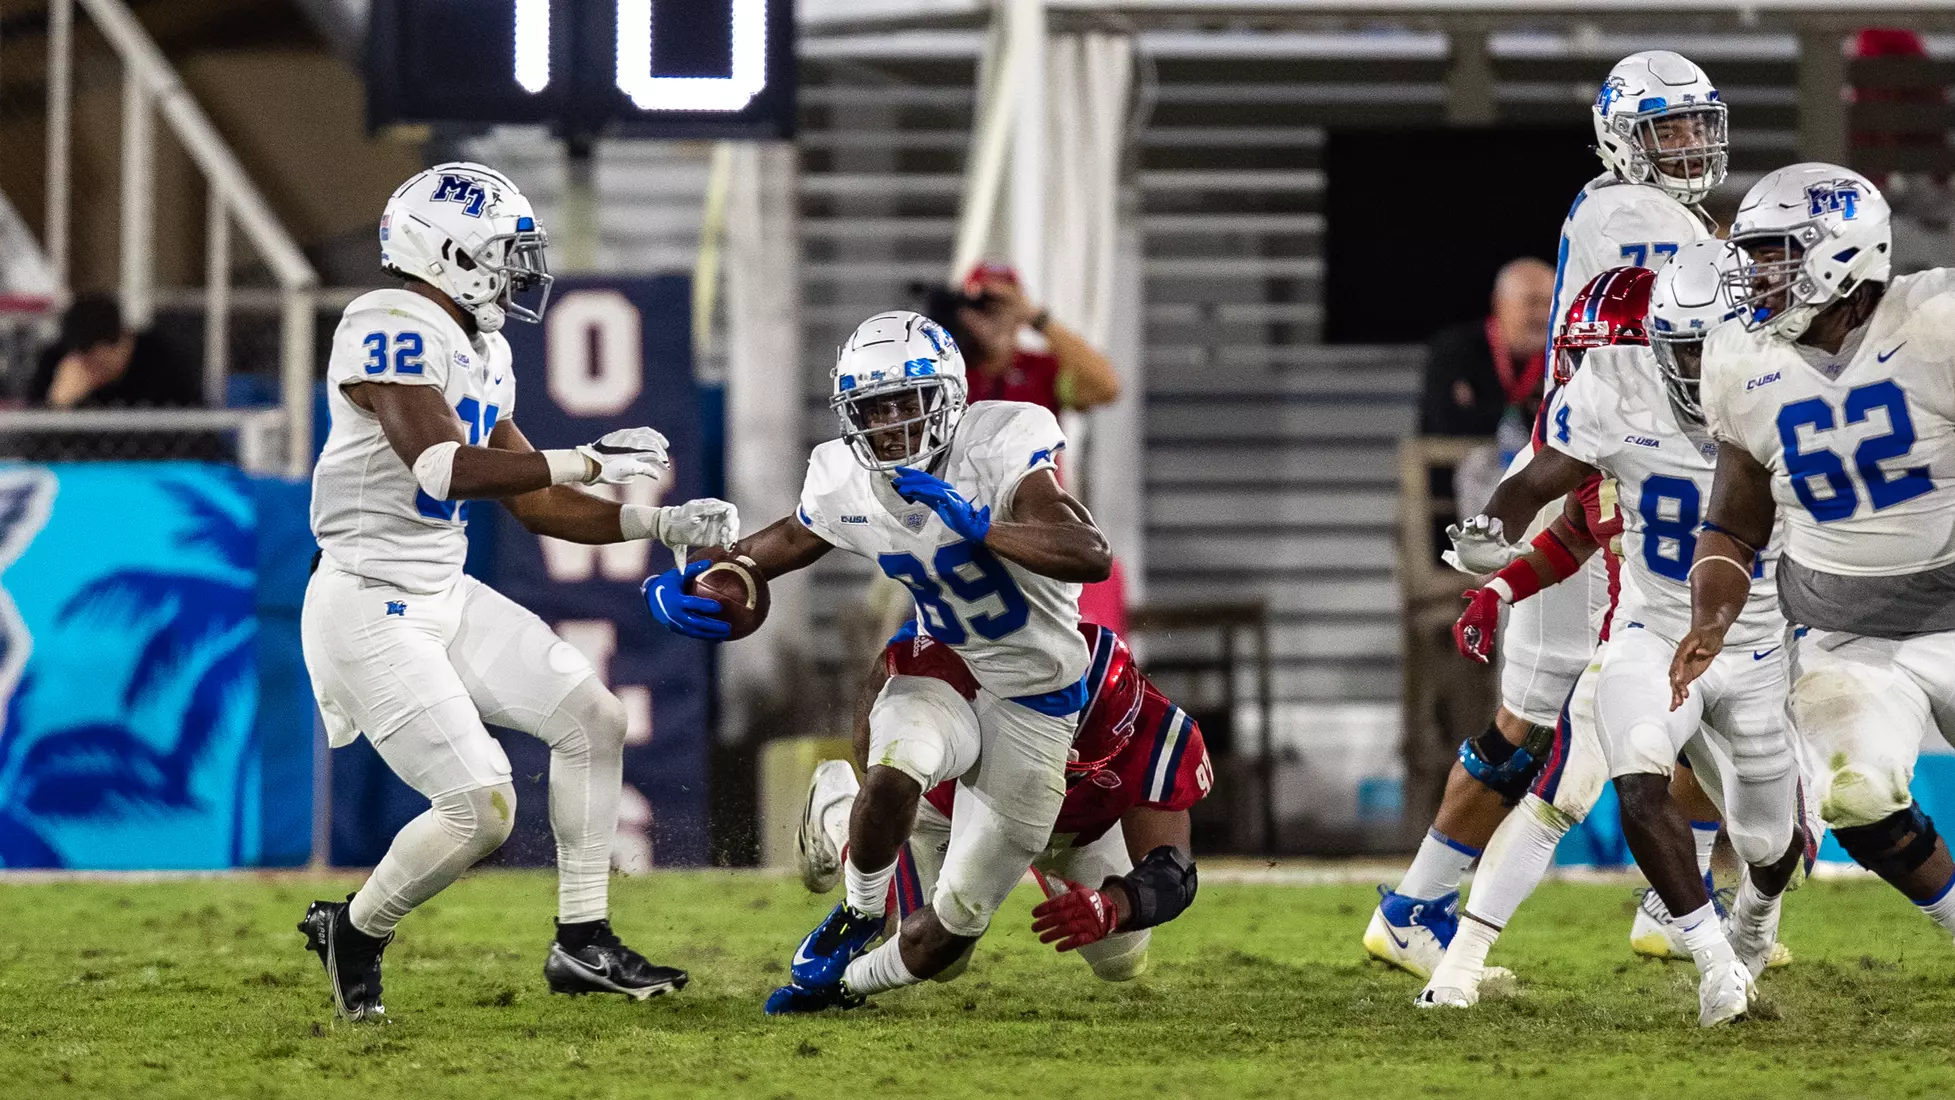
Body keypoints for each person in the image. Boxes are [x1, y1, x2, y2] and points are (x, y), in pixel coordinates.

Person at [295, 162, 740, 1022]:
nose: (519, 271)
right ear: (449, 251)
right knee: (481, 807)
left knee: (594, 719)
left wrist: (660, 524)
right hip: (364, 600)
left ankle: (582, 941)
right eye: (505, 253)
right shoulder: (385, 320)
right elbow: (441, 465)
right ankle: (355, 928)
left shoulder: (483, 348)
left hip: (439, 587)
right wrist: (588, 458)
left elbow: (532, 500)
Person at [642, 311, 1138, 1015]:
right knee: (898, 760)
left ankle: (843, 921)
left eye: (909, 402)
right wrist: (693, 580)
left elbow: (1089, 551)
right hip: (948, 663)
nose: (893, 423)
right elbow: (777, 544)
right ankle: (856, 910)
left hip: (1036, 701)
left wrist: (983, 527)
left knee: (953, 942)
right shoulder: (844, 477)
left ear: (951, 397)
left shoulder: (1001, 444)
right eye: (875, 408)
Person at [1364, 49, 1730, 979]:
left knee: (1537, 728)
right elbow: (1685, 345)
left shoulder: (1623, 209)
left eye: (1695, 124)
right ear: (1623, 138)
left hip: (1589, 465)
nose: (1687, 144)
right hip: (1607, 481)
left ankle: (1416, 908)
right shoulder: (1634, 215)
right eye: (1666, 129)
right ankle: (1667, 901)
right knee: (1692, 688)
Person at [1427, 256, 1809, 1028]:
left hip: (1754, 645)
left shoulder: (1779, 397)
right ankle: (1458, 968)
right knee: (1566, 793)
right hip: (1643, 638)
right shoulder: (1614, 401)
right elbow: (1561, 514)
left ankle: (1748, 925)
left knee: (1780, 840)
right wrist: (1494, 576)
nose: (1580, 365)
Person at [1681, 164, 1955, 953]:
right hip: (1847, 637)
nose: (1752, 274)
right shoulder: (1738, 359)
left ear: (1842, 250)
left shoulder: (1934, 320)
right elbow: (1733, 523)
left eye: (1772, 253)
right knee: (1855, 793)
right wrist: (1711, 616)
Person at [797, 619, 1210, 983]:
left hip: (1076, 833)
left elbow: (1172, 870)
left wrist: (1114, 906)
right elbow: (890, 666)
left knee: (1122, 960)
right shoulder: (980, 665)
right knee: (935, 954)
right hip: (956, 809)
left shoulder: (1161, 740)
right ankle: (837, 809)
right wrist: (876, 794)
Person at [934, 264, 1121, 416]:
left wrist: (1038, 319)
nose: (997, 316)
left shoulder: (1041, 370)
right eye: (984, 306)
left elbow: (1106, 388)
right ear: (964, 313)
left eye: (1005, 306)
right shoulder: (949, 370)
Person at [1419, 258, 1555, 442]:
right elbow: (1444, 424)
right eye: (1532, 302)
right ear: (1498, 303)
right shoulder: (1455, 349)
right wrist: (1527, 414)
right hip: (1461, 465)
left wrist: (1482, 410)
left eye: (1550, 304)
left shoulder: (1565, 355)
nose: (1543, 315)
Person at [28, 293, 200, 409]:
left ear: (121, 341)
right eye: (82, 358)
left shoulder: (162, 360)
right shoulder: (56, 362)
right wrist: (58, 405)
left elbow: (197, 435)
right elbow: (30, 446)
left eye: (95, 359)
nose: (87, 367)